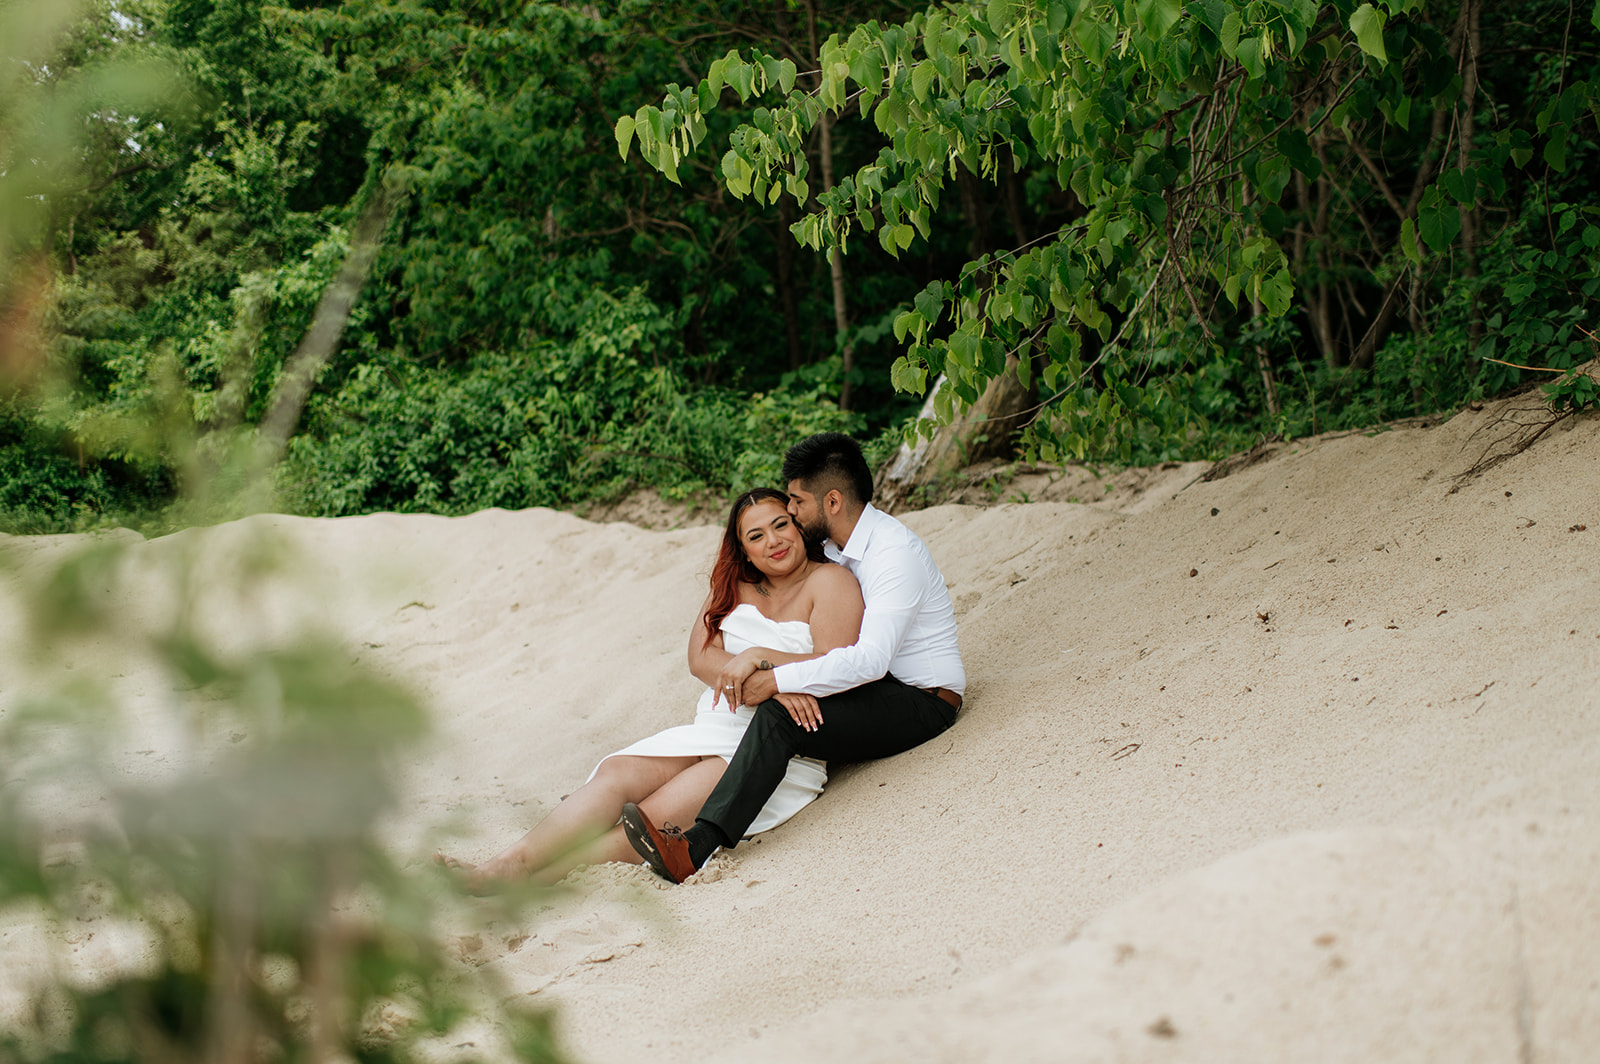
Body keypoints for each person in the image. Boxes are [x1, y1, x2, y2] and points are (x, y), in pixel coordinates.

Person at [435, 487, 863, 890]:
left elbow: (834, 666)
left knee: (652, 814)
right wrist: (767, 682)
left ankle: (540, 880)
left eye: (780, 525)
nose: (773, 540)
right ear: (744, 549)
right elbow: (701, 659)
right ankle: (511, 862)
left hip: (771, 745)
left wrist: (762, 660)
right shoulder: (735, 586)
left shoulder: (830, 582)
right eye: (756, 535)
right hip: (715, 722)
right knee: (617, 774)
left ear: (797, 524)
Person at [622, 432, 966, 883]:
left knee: (781, 718)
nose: (792, 512)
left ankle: (695, 847)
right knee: (784, 709)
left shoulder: (892, 555)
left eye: (797, 502)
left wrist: (773, 672)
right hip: (879, 689)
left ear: (834, 501)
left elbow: (869, 662)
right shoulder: (838, 547)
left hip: (921, 700)